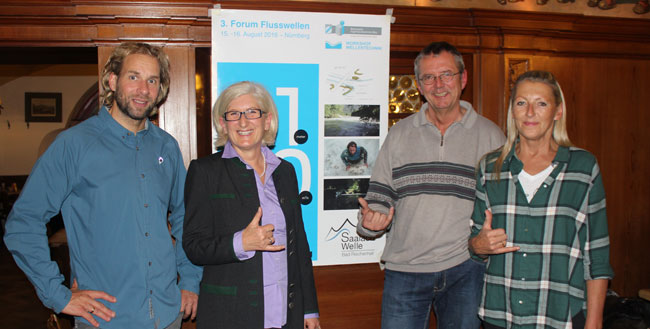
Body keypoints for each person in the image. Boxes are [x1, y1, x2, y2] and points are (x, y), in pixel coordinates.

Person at [3, 42, 202, 329]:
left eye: (152, 80)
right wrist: (58, 295)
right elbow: (24, 223)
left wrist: (191, 280)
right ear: (112, 80)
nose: (143, 89)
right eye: (133, 77)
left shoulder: (166, 146)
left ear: (160, 90)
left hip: (168, 313)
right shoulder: (74, 145)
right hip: (107, 319)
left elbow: (186, 218)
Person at [356, 41, 506, 329]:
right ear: (419, 85)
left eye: (446, 74)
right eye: (428, 77)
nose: (438, 85)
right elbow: (379, 198)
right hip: (405, 270)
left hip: (467, 269)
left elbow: (503, 206)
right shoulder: (399, 134)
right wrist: (371, 222)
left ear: (463, 79)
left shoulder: (492, 137)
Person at [469, 70, 613, 329]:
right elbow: (476, 244)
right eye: (522, 103)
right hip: (500, 315)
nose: (530, 112)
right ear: (512, 111)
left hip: (561, 315)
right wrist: (478, 245)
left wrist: (594, 320)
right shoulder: (490, 168)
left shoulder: (582, 167)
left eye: (542, 103)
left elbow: (597, 254)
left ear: (558, 111)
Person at [182, 81, 320, 329]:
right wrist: (241, 243)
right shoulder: (205, 172)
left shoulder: (285, 171)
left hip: (287, 315)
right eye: (234, 114)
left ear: (267, 121)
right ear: (223, 124)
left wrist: (309, 308)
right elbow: (193, 246)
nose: (243, 122)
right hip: (231, 316)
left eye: (252, 113)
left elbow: (298, 244)